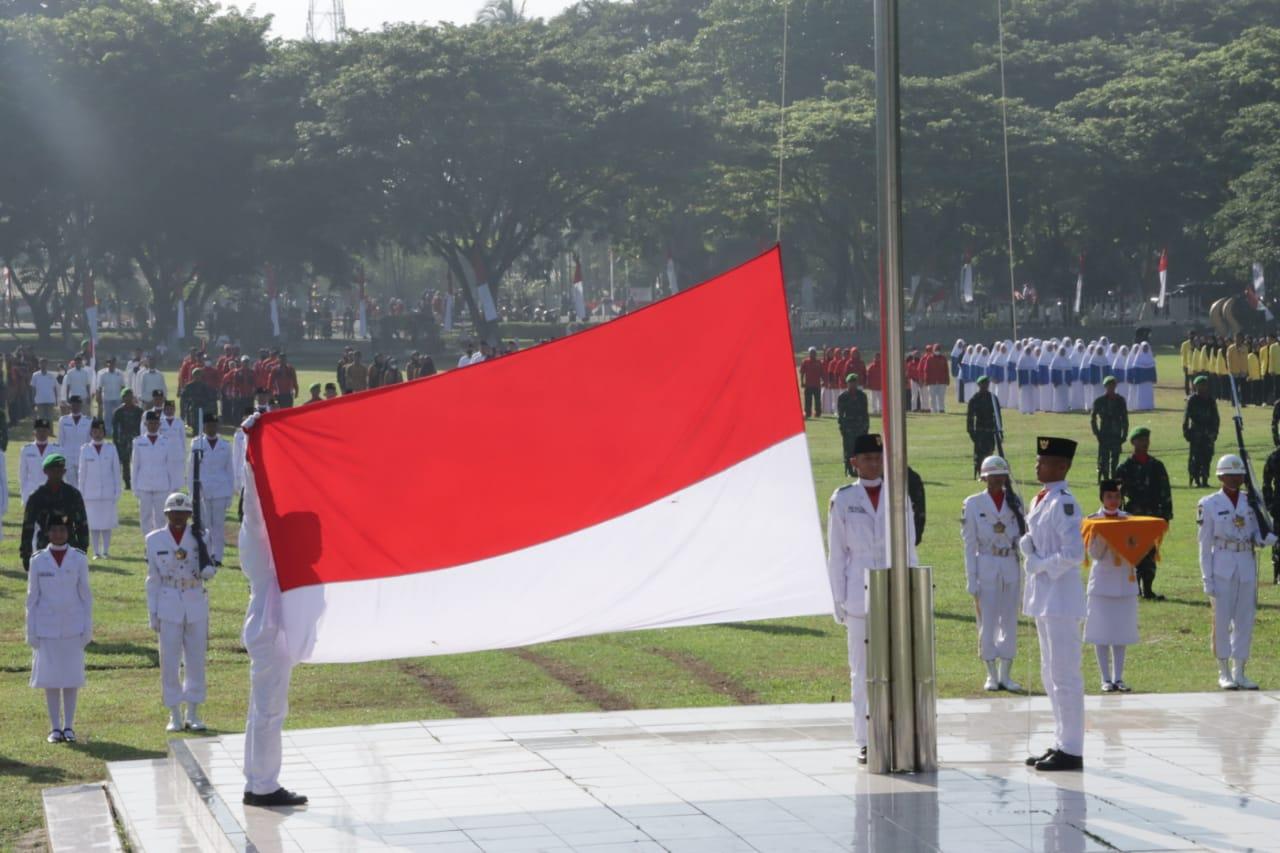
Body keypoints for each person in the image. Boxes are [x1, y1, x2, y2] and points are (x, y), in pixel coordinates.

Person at [826, 433, 917, 766]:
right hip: (858, 593)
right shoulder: (844, 498)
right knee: (862, 671)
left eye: (878, 458)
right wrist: (837, 599)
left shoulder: (897, 495)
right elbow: (836, 554)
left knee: (896, 668)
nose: (873, 463)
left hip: (892, 589)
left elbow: (908, 547)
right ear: (854, 463)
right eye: (866, 458)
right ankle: (865, 739)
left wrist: (911, 589)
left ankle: (895, 732)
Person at [239, 413, 309, 808]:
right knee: (269, 712)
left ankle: (258, 780)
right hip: (268, 630)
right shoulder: (260, 549)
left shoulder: (272, 550)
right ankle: (263, 785)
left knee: (264, 710)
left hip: (272, 629)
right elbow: (253, 510)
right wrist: (253, 458)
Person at [1021, 436, 1086, 771]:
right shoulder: (1040, 499)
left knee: (1065, 675)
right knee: (1050, 673)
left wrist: (1039, 562)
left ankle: (1073, 749)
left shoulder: (1064, 502)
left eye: (1044, 461)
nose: (1037, 465)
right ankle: (1062, 741)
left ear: (1062, 466)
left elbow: (1075, 554)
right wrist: (1030, 547)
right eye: (1037, 459)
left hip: (1061, 599)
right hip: (1044, 598)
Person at [1198, 454, 1273, 691]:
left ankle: (1240, 670)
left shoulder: (1250, 502)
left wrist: (1269, 536)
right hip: (1222, 561)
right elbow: (1204, 544)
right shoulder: (1209, 504)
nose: (1235, 478)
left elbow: (1259, 537)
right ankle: (1224, 671)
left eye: (1239, 474)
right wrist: (1206, 578)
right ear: (1220, 476)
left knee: (1244, 620)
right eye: (1230, 474)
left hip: (1246, 563)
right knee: (1221, 620)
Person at [146, 492, 217, 732]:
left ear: (189, 515)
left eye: (183, 513)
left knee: (196, 659)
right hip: (168, 602)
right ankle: (174, 713)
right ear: (166, 514)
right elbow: (153, 580)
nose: (178, 518)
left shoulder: (201, 537)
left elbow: (209, 568)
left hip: (195, 599)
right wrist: (152, 613)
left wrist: (209, 567)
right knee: (169, 661)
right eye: (173, 513)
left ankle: (193, 712)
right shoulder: (154, 540)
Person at [25, 514, 92, 744]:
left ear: (68, 532)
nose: (58, 534)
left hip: (73, 626)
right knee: (51, 680)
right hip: (47, 628)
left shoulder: (79, 559)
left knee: (71, 679)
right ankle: (55, 727)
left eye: (62, 530)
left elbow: (85, 597)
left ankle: (69, 726)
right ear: (47, 533)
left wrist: (87, 628)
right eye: (54, 530)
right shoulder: (38, 560)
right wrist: (30, 631)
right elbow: (32, 599)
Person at [961, 455, 1023, 692]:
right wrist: (971, 578)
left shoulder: (1015, 502)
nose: (996, 482)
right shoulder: (973, 504)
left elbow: (1022, 536)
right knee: (986, 620)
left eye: (1000, 477)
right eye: (991, 478)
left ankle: (1006, 674)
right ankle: (991, 674)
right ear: (984, 478)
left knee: (1009, 619)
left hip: (1009, 562)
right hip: (985, 562)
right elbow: (969, 544)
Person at [1084, 481, 1140, 693]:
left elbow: (1137, 549)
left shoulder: (1129, 519)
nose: (1113, 500)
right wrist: (1106, 534)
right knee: (1101, 632)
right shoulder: (1093, 521)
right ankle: (1105, 678)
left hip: (1125, 580)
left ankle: (1119, 677)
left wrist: (1127, 538)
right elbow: (1095, 554)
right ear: (1102, 498)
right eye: (1109, 496)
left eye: (1116, 496)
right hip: (1102, 581)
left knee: (1121, 632)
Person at [1114, 427, 1174, 599]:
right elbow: (1115, 494)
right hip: (1132, 516)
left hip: (1153, 516)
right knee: (1132, 552)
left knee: (1149, 553)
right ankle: (1133, 588)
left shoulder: (1156, 466)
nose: (1145, 443)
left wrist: (1166, 516)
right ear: (1133, 442)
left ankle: (1147, 589)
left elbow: (1165, 492)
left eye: (1146, 440)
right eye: (1140, 440)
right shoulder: (1124, 467)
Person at [20, 453, 90, 571]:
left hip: (70, 547)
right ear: (45, 471)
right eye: (53, 470)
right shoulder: (37, 496)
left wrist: (82, 550)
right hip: (44, 547)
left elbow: (82, 524)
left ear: (64, 471)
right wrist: (26, 554)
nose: (56, 473)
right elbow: (28, 527)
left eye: (60, 470)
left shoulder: (73, 494)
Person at [187, 414, 235, 565]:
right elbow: (191, 470)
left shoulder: (225, 445)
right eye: (209, 426)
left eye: (214, 425)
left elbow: (230, 471)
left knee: (219, 525)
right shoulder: (197, 444)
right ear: (204, 427)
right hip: (203, 490)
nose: (212, 428)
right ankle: (207, 554)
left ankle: (218, 556)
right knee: (205, 525)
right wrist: (192, 493)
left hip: (221, 489)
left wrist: (230, 494)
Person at [77, 420, 122, 559]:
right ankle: (96, 551)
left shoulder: (111, 448)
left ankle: (106, 551)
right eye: (95, 431)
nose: (97, 434)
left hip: (107, 492)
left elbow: (116, 471)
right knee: (94, 524)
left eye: (100, 432)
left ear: (104, 433)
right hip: (90, 493)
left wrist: (117, 490)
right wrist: (81, 492)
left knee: (106, 523)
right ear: (91, 432)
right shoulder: (85, 449)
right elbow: (82, 473)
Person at [132, 411, 175, 534]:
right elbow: (135, 465)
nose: (153, 426)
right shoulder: (138, 442)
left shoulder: (166, 441)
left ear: (159, 424)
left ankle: (160, 542)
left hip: (161, 484)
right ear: (145, 424)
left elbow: (170, 466)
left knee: (161, 517)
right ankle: (148, 542)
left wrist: (171, 487)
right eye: (150, 423)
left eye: (156, 423)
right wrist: (134, 487)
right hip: (144, 484)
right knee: (145, 516)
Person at [1088, 376, 1128, 483]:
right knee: (1104, 459)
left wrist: (1124, 434)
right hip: (1104, 433)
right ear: (1105, 387)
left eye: (1113, 385)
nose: (1111, 387)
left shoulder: (1120, 400)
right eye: (1109, 385)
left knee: (1115, 458)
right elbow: (1093, 418)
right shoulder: (1099, 401)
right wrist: (1096, 433)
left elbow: (1125, 418)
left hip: (1116, 432)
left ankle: (1113, 476)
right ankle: (1105, 478)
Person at [1184, 376, 1220, 488]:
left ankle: (1205, 479)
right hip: (1196, 433)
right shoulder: (1192, 400)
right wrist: (1186, 432)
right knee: (1195, 457)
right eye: (1200, 385)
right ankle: (1195, 479)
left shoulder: (1210, 400)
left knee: (1207, 457)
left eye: (1204, 385)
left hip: (1208, 433)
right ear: (1196, 386)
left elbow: (1216, 418)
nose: (1202, 388)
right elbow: (1186, 418)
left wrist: (1215, 432)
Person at [20, 419, 62, 506]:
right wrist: (24, 493)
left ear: (49, 432)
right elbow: (22, 474)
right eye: (39, 430)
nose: (41, 433)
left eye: (44, 431)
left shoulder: (57, 449)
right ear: (34, 432)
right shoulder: (26, 450)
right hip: (32, 491)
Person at [966, 376, 1000, 479]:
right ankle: (980, 473)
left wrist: (999, 431)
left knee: (990, 452)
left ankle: (989, 472)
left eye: (987, 384)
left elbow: (998, 416)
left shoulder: (993, 398)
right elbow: (970, 418)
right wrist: (971, 432)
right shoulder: (974, 399)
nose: (985, 386)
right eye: (983, 384)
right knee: (979, 455)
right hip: (980, 431)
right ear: (979, 385)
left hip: (990, 430)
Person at [835, 373, 869, 477]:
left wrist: (866, 426)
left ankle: (860, 470)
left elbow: (865, 413)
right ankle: (849, 470)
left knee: (860, 450)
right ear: (847, 384)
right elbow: (840, 415)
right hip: (849, 427)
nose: (852, 385)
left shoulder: (862, 396)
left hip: (860, 426)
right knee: (848, 450)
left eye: (854, 383)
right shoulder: (843, 397)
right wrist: (842, 427)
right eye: (850, 383)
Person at [56, 396, 92, 489]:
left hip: (83, 456)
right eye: (73, 405)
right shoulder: (63, 420)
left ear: (81, 405)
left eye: (77, 404)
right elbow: (60, 440)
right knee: (70, 485)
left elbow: (90, 440)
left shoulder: (88, 421)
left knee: (83, 484)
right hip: (68, 457)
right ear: (69, 406)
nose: (75, 407)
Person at [112, 390, 143, 490]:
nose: (129, 399)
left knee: (137, 461)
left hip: (136, 438)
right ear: (123, 398)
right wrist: (116, 441)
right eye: (126, 396)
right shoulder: (118, 412)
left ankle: (138, 481)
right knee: (125, 462)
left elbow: (142, 427)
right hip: (123, 440)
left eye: (130, 396)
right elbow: (115, 428)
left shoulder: (139, 411)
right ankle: (127, 482)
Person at [96, 357, 126, 424]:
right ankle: (107, 432)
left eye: (113, 363)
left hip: (118, 398)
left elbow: (123, 387)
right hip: (107, 399)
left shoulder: (120, 373)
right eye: (110, 363)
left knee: (118, 416)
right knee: (107, 417)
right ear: (107, 364)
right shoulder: (102, 374)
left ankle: (117, 431)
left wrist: (124, 398)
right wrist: (99, 398)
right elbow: (100, 387)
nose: (111, 365)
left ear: (115, 364)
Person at [30, 358, 59, 424]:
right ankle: (42, 433)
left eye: (45, 363)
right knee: (41, 418)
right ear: (39, 365)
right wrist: (33, 399)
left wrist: (56, 400)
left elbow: (54, 388)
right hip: (39, 400)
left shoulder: (52, 375)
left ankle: (50, 432)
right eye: (41, 363)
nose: (43, 365)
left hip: (50, 400)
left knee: (50, 417)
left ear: (47, 364)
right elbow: (33, 389)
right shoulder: (35, 375)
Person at [798, 347, 823, 418]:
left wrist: (823, 381)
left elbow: (821, 373)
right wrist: (802, 382)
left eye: (814, 353)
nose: (813, 354)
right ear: (809, 354)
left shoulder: (819, 362)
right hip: (808, 385)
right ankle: (808, 413)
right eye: (811, 353)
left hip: (817, 384)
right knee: (808, 400)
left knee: (817, 400)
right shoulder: (805, 362)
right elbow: (802, 373)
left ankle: (818, 413)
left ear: (816, 354)